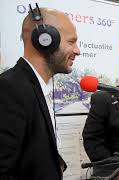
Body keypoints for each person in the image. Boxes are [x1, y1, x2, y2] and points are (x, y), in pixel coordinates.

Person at [0, 5, 80, 180]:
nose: (77, 50)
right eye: (71, 42)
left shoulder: (36, 86)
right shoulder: (9, 89)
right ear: (45, 39)